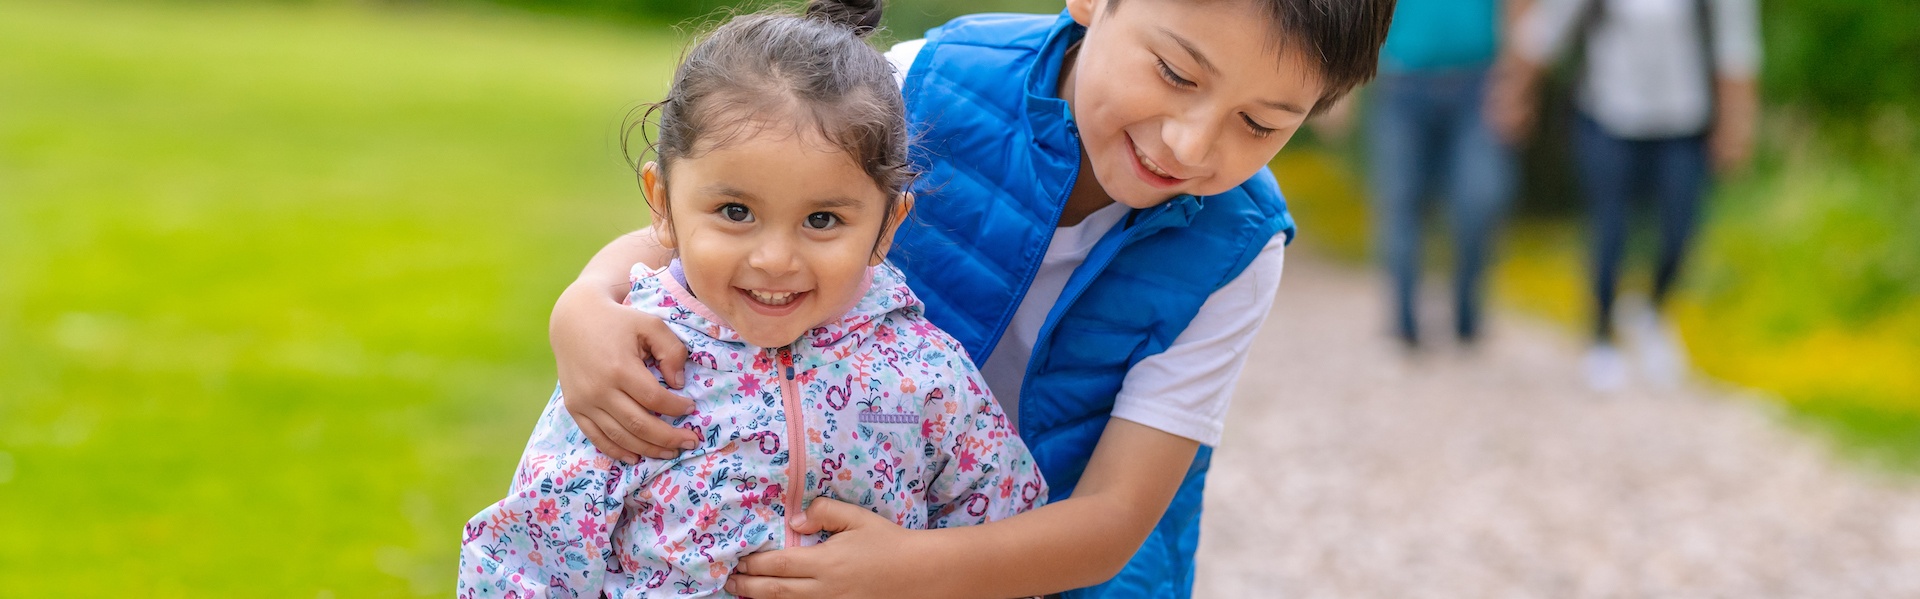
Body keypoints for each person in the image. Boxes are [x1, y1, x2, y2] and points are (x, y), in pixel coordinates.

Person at [548, 0, 1396, 596]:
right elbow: (708, 231)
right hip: (847, 527)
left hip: (1054, 572)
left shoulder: (1238, 249)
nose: (1191, 142)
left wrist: (907, 572)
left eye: (1260, 124)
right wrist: (585, 300)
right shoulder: (926, 83)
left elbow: (1114, 516)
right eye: (1176, 72)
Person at [457, 5, 1047, 597]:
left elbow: (1003, 528)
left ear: (888, 226)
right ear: (661, 200)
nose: (775, 259)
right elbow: (528, 557)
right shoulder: (630, 365)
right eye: (736, 212)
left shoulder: (929, 374)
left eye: (822, 219)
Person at [1489, 0, 1759, 390]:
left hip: (1683, 121)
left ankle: (1652, 311)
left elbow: (1737, 51)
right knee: (1609, 229)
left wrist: (1737, 126)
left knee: (1680, 230)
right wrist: (1516, 94)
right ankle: (1600, 337)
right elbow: (1544, 33)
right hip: (1607, 115)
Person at [1364, 0, 1518, 349]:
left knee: (1480, 198)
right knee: (1400, 201)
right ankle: (1403, 322)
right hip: (1402, 82)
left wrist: (1516, 82)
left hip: (1478, 85)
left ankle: (1468, 313)